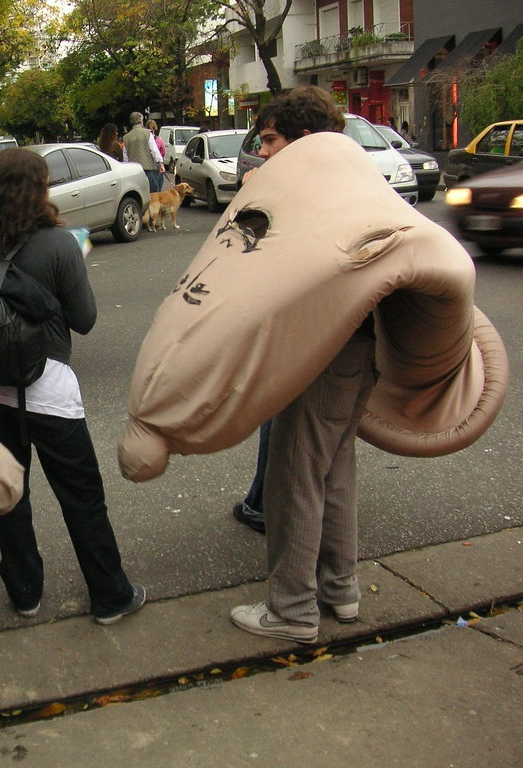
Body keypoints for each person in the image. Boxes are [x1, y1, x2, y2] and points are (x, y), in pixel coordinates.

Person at [0, 148, 146, 625]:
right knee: (82, 497)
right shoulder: (60, 245)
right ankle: (110, 596)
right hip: (50, 391)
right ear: (40, 190)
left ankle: (24, 593)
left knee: (10, 496)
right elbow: (85, 319)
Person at [229, 86, 376, 645]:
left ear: (306, 141)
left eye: (271, 140)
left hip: (318, 348)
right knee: (334, 470)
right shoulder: (359, 180)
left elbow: (269, 266)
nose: (263, 152)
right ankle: (340, 590)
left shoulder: (311, 192)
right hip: (359, 346)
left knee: (294, 476)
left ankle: (292, 609)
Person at [122, 111, 164, 194]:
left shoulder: (126, 137)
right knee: (152, 194)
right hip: (148, 169)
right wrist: (161, 164)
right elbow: (154, 150)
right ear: (141, 121)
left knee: (138, 194)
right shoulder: (147, 133)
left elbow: (125, 157)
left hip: (134, 171)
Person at [147, 119, 168, 190]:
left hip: (148, 163)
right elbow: (163, 152)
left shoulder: (145, 138)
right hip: (157, 163)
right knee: (158, 183)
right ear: (155, 128)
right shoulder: (159, 140)